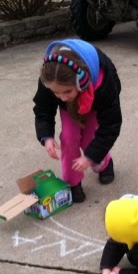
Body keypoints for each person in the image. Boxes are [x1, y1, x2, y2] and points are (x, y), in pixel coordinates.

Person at [33, 39, 122, 203]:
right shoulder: (50, 77)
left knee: (90, 140)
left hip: (94, 99)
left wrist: (89, 157)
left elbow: (111, 124)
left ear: (81, 81)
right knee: (68, 137)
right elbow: (43, 108)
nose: (62, 97)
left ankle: (104, 163)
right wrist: (46, 136)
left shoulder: (104, 83)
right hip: (70, 108)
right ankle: (73, 183)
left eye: (67, 91)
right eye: (56, 93)